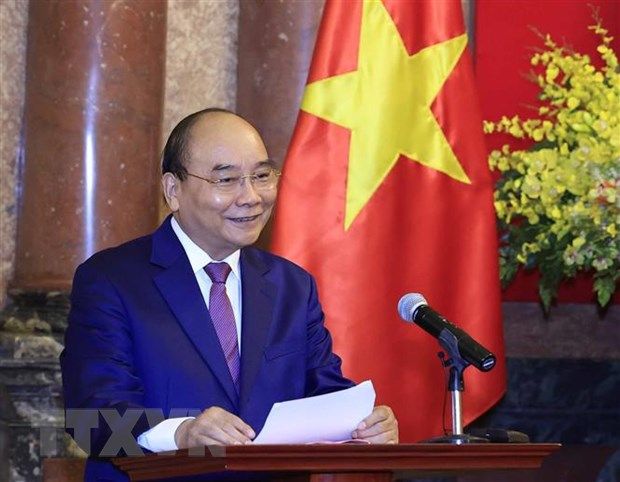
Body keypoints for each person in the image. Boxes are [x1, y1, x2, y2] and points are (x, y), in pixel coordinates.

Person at [61, 108, 398, 481]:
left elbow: (325, 396)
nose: (251, 197)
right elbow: (89, 419)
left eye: (261, 176)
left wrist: (364, 423)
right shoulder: (112, 280)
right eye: (226, 179)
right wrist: (181, 434)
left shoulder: (292, 287)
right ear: (173, 190)